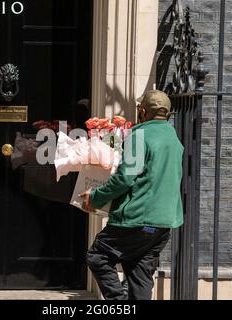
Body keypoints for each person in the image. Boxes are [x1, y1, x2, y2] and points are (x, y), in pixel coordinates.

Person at [79, 90, 184, 300]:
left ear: (143, 112)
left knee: (97, 257)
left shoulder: (140, 136)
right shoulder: (172, 137)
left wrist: (96, 196)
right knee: (139, 275)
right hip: (163, 223)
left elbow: (125, 178)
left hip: (136, 219)